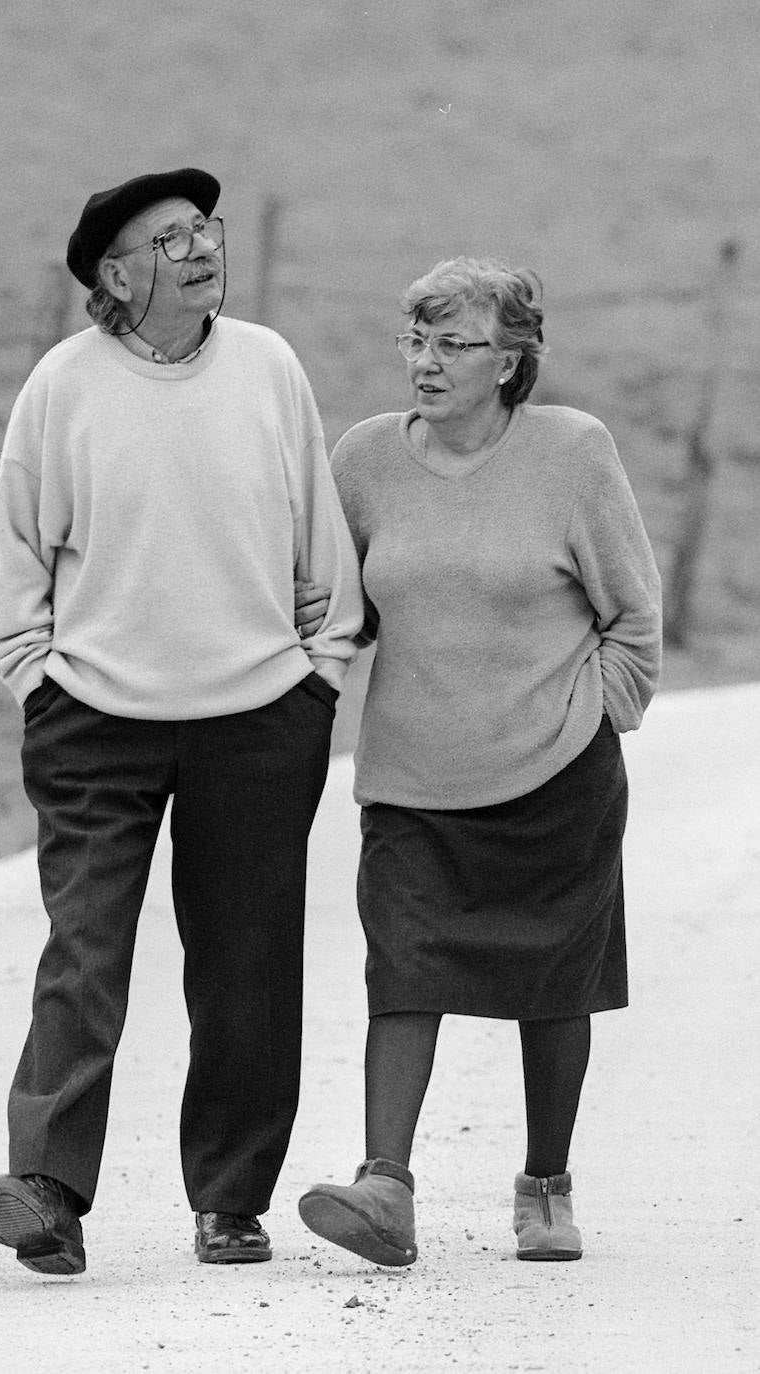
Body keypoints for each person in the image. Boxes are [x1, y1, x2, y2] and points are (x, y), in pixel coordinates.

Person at [0, 167, 363, 1275]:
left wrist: (317, 677)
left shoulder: (268, 367)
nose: (199, 249)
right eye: (168, 238)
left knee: (245, 966)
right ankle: (45, 1190)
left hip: (258, 720)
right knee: (84, 950)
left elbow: (317, 542)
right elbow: (16, 556)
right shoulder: (63, 384)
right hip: (92, 718)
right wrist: (35, 679)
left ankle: (230, 1201)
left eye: (204, 230)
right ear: (115, 274)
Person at [297, 256, 662, 1265]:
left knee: (554, 984)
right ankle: (385, 1188)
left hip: (555, 774)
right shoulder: (365, 459)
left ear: (509, 361)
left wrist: (596, 718)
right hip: (410, 780)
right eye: (414, 339)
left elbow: (631, 616)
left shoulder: (571, 453)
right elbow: (334, 609)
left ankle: (545, 1184)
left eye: (452, 344)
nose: (424, 361)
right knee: (402, 972)